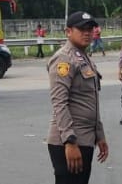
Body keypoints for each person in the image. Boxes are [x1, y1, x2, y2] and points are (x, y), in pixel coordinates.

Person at [46, 11, 109, 184]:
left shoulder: (83, 57)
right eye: (82, 29)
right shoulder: (64, 59)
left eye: (90, 29)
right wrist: (70, 141)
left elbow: (91, 100)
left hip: (86, 138)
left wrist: (99, 135)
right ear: (68, 31)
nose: (87, 33)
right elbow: (59, 102)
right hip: (70, 140)